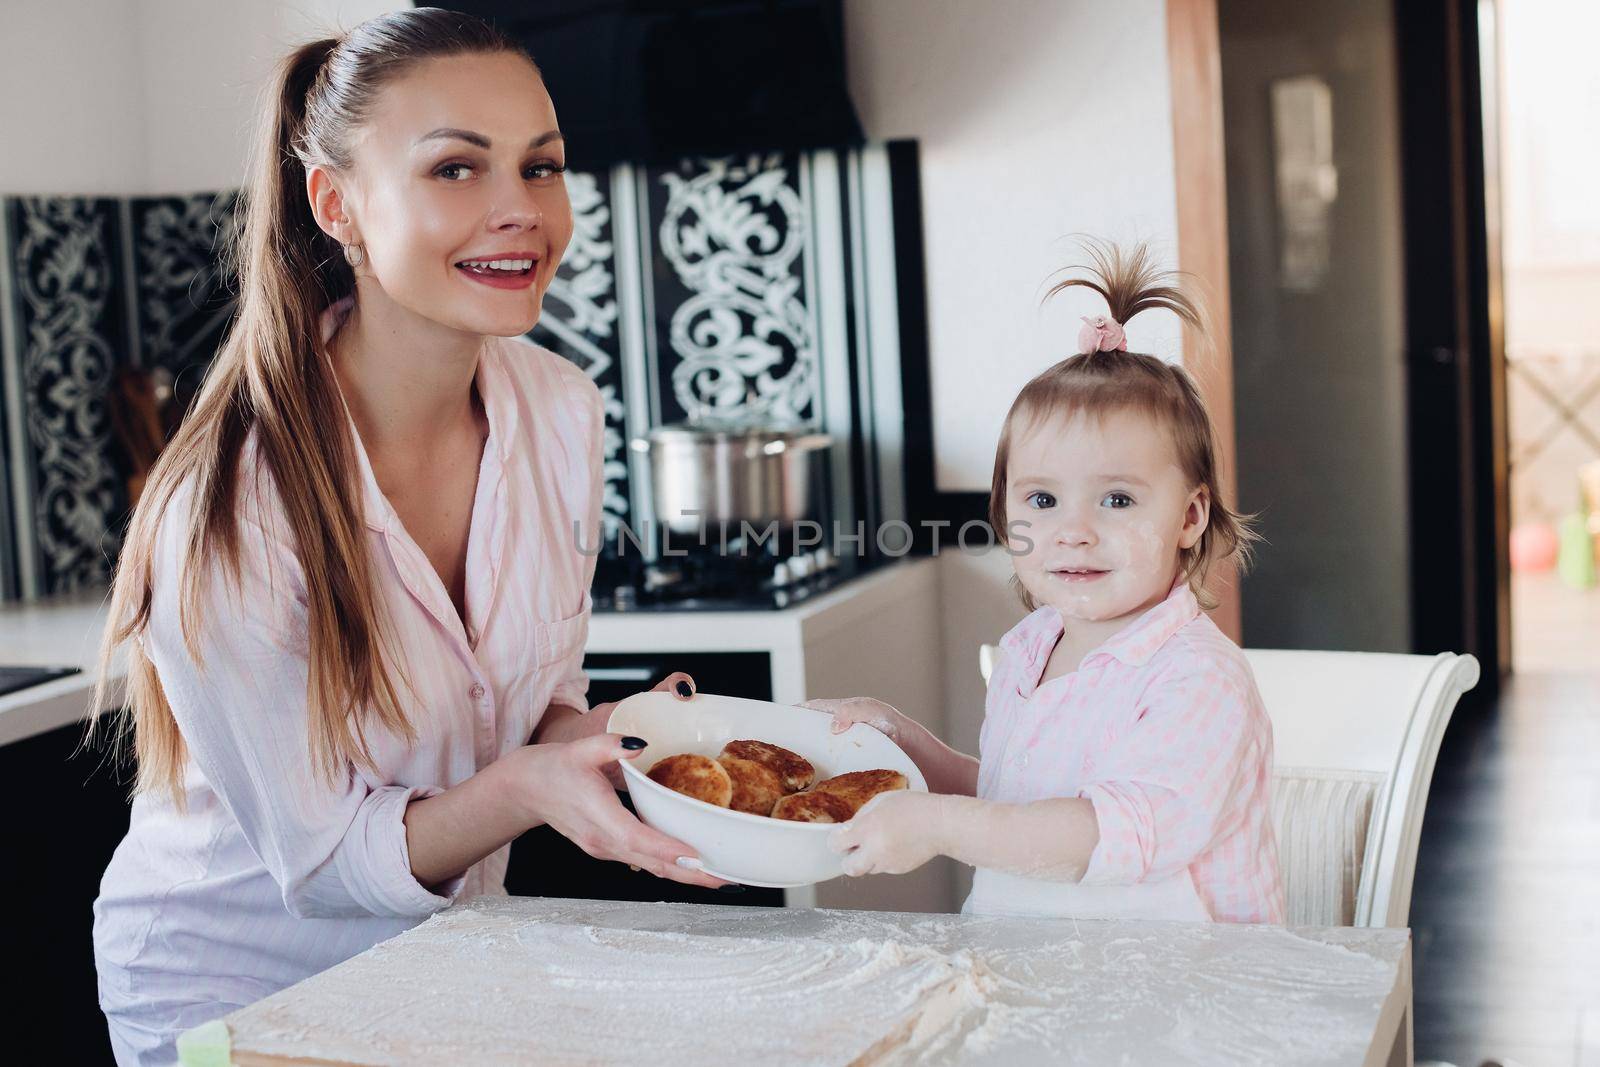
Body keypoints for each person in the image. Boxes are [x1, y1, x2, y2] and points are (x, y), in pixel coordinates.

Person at [88, 11, 719, 1063]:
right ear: (338, 206)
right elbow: (327, 863)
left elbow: (539, 701)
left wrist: (631, 744)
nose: (520, 210)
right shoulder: (229, 506)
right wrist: (525, 789)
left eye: (542, 165)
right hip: (236, 999)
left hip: (449, 973)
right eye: (457, 170)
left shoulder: (561, 409)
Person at [807, 241, 1284, 924]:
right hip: (1039, 984)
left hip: (1179, 999)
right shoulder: (1032, 646)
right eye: (1041, 499)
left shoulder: (1198, 680)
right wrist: (902, 741)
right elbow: (1013, 805)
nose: (1073, 530)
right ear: (1004, 512)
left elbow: (1100, 835)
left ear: (1190, 515)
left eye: (1116, 500)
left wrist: (938, 825)